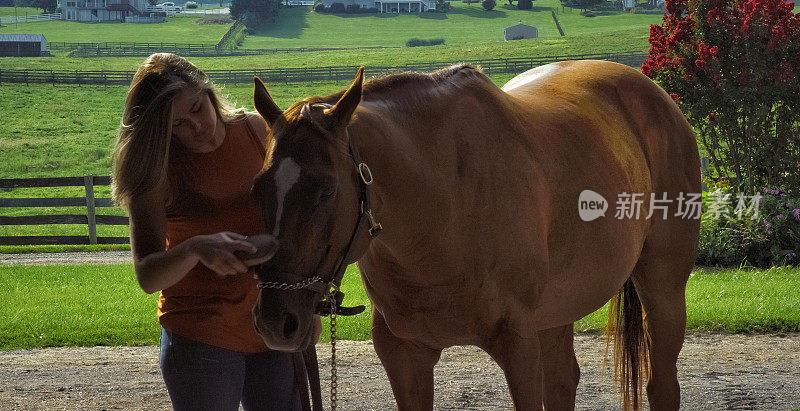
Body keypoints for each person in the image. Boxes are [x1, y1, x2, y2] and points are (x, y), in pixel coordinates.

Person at [111, 53, 321, 411]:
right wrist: (195, 249)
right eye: (178, 124)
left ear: (208, 91)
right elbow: (148, 275)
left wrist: (308, 304)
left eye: (196, 108)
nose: (197, 126)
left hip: (272, 325)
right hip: (201, 335)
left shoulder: (258, 131)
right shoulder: (156, 170)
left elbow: (298, 224)